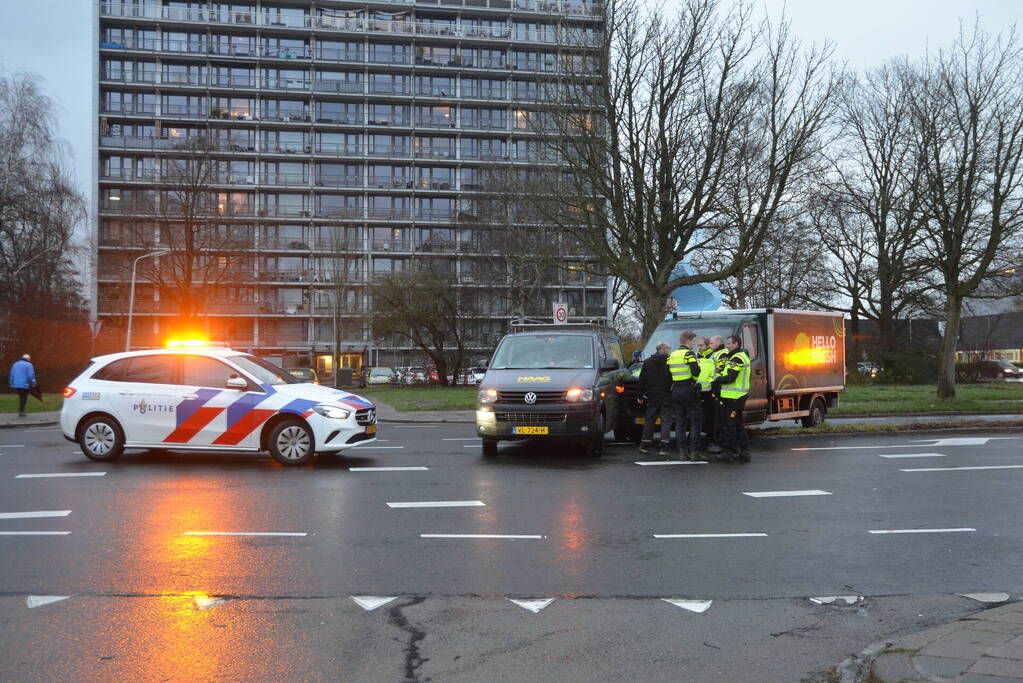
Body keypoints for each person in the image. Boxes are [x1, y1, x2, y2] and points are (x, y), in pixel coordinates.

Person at [667, 331, 703, 461]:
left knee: (680, 423)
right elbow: (696, 371)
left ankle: (682, 453)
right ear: (688, 341)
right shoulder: (689, 354)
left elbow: (668, 373)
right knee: (695, 421)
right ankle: (694, 452)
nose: (694, 344)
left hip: (675, 390)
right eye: (693, 342)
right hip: (688, 389)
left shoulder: (673, 354)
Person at [715, 335, 751, 462]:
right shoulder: (734, 357)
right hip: (732, 397)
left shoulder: (737, 358)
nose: (727, 345)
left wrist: (716, 379)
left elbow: (730, 378)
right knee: (738, 425)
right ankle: (744, 452)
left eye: (729, 343)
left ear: (736, 344)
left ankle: (730, 452)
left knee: (731, 425)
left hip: (734, 398)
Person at [636, 341, 674, 457]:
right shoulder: (670, 362)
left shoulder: (648, 362)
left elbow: (642, 380)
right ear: (663, 349)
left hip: (652, 396)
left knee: (650, 420)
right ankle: (664, 446)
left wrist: (640, 395)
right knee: (666, 421)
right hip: (667, 395)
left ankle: (645, 445)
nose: (670, 349)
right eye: (668, 347)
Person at [703, 335, 730, 454]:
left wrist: (711, 377)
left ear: (719, 343)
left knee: (718, 419)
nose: (710, 346)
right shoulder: (715, 353)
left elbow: (720, 369)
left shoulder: (723, 353)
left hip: (718, 389)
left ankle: (718, 443)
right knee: (713, 417)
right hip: (714, 389)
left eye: (712, 343)